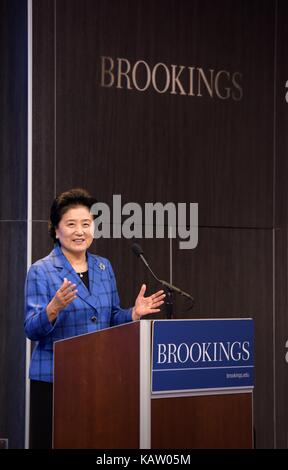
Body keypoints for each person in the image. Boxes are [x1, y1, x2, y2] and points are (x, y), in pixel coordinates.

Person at [24, 188, 165, 449]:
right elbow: (31, 329)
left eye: (86, 224)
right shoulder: (41, 270)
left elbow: (111, 318)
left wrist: (132, 314)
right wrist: (52, 308)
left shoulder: (103, 266)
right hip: (56, 381)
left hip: (99, 377)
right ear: (56, 230)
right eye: (71, 224)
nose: (80, 231)